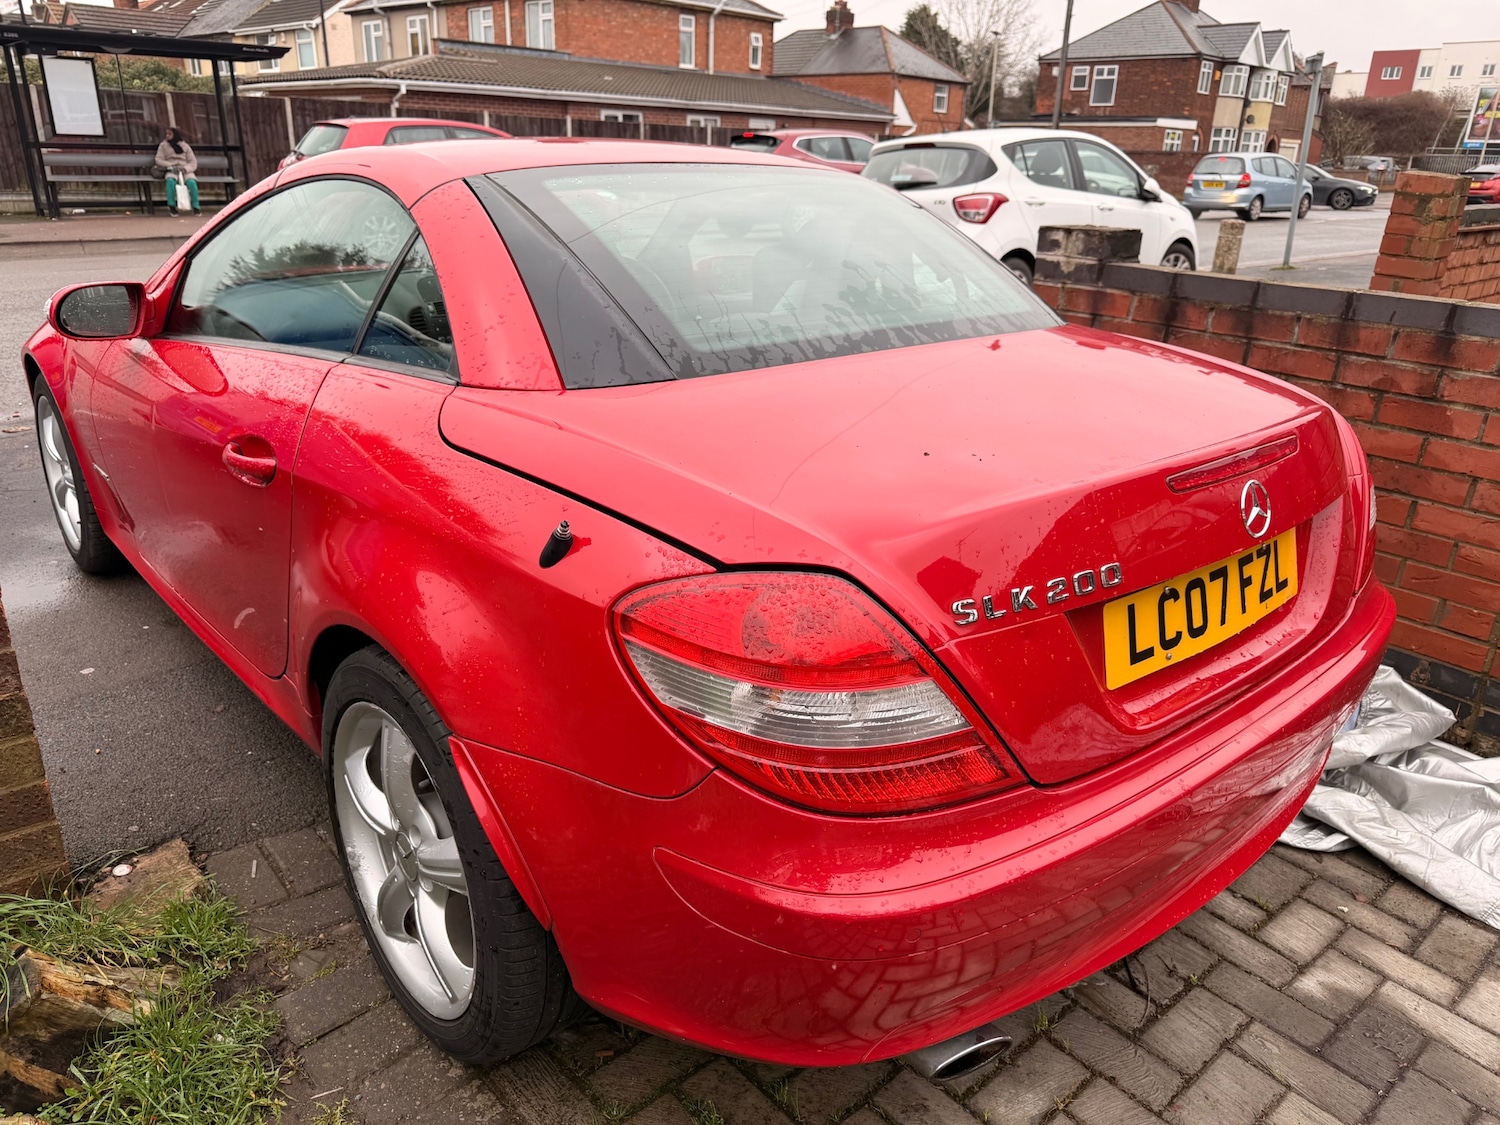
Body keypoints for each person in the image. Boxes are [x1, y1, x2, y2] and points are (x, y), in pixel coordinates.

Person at [155, 127, 200, 215]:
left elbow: (193, 162)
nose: (167, 136)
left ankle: (196, 206)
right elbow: (158, 160)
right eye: (166, 134)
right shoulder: (163, 146)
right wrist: (170, 166)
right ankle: (172, 206)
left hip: (185, 169)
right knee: (170, 182)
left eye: (169, 134)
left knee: (192, 182)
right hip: (172, 169)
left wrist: (185, 169)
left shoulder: (185, 146)